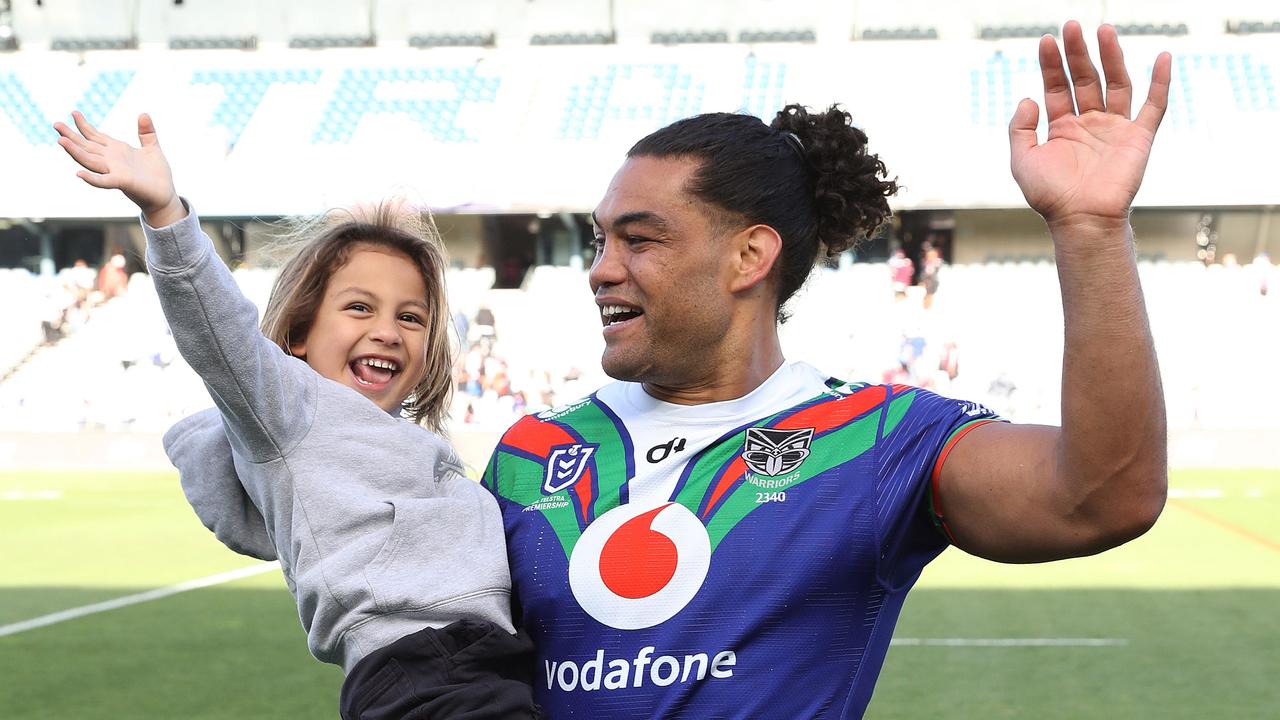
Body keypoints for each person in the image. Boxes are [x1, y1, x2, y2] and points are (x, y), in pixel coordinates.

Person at [164, 22, 1170, 719]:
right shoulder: (533, 454)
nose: (600, 269)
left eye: (638, 240)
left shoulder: (875, 442)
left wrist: (1088, 229)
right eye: (598, 240)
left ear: (748, 257)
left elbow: (1103, 496)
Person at [54, 112, 538, 720]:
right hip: (425, 675)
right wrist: (166, 214)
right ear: (301, 334)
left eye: (411, 317)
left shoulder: (412, 446)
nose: (387, 331)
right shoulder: (294, 415)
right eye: (360, 308)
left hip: (489, 668)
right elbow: (219, 333)